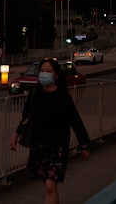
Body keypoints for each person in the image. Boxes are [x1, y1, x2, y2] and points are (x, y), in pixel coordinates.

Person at [9, 58, 90, 204]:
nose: (44, 74)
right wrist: (16, 134)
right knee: (51, 188)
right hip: (39, 145)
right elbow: (27, 117)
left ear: (56, 75)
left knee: (50, 187)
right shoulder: (35, 95)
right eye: (42, 71)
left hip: (57, 147)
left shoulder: (63, 97)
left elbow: (75, 121)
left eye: (48, 71)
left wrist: (84, 145)